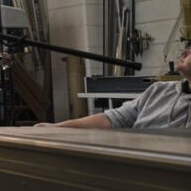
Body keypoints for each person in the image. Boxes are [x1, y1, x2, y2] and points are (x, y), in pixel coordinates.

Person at [35, 43, 191, 129]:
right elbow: (112, 119)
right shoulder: (159, 91)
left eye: (190, 50)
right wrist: (58, 128)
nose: (184, 52)